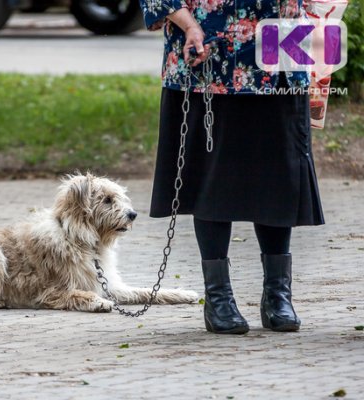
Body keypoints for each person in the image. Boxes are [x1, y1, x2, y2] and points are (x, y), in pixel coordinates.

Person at [139, 0, 325, 334]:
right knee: (211, 177)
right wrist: (187, 24)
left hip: (280, 50)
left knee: (277, 175)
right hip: (207, 54)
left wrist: (312, 20)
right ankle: (218, 298)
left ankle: (277, 295)